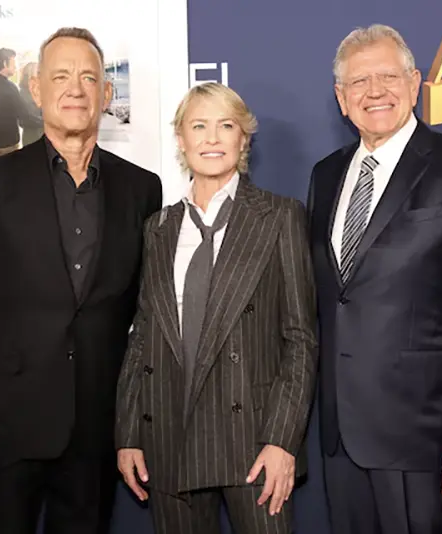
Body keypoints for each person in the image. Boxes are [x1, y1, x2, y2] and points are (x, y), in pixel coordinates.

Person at [0, 27, 162, 534]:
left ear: (106, 96)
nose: (76, 88)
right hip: (13, 415)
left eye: (90, 77)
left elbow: (140, 301)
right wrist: (13, 351)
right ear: (37, 91)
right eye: (60, 76)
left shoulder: (141, 189)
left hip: (96, 421)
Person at [307, 24, 442, 534]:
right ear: (341, 98)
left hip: (428, 444)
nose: (374, 91)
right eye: (358, 82)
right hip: (341, 442)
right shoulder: (326, 175)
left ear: (416, 82)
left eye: (387, 76)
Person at [115, 82, 317, 534]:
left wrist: (282, 440)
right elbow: (143, 334)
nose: (211, 138)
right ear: (181, 140)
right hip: (170, 435)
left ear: (243, 140)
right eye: (198, 126)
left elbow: (300, 339)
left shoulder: (280, 217)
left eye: (225, 126)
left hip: (254, 442)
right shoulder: (159, 228)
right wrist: (129, 434)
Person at [0, 48, 39, 159]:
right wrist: (45, 122)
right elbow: (24, 116)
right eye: (14, 62)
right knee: (10, 176)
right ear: (5, 63)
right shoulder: (10, 88)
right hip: (8, 147)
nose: (16, 66)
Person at [18, 61, 44, 146]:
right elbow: (26, 118)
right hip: (32, 136)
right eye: (38, 72)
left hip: (39, 133)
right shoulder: (24, 93)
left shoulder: (37, 91)